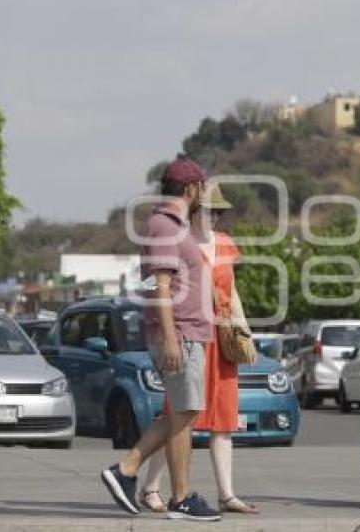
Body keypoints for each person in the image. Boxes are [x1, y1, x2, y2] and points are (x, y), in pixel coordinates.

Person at [100, 155, 221, 521]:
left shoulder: (169, 226)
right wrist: (169, 337)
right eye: (202, 187)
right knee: (184, 412)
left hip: (183, 331)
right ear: (191, 188)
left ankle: (150, 482)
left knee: (182, 411)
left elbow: (153, 283)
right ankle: (144, 478)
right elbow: (162, 284)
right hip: (179, 333)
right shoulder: (166, 226)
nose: (205, 194)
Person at [138, 184, 258, 514]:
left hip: (221, 340)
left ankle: (227, 494)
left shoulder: (226, 244)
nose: (215, 217)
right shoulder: (179, 243)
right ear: (194, 212)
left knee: (224, 418)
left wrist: (244, 330)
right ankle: (150, 487)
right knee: (178, 416)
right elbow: (157, 289)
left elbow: (231, 293)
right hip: (191, 335)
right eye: (209, 211)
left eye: (219, 212)